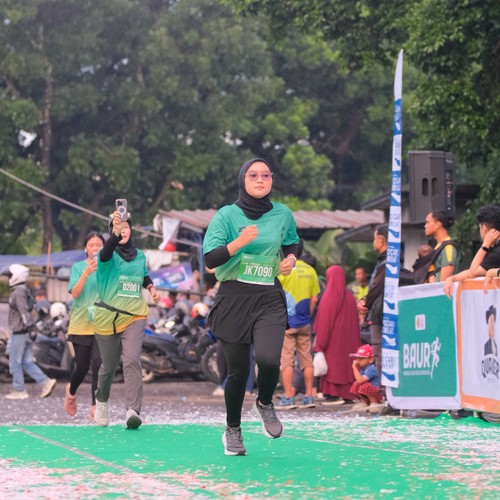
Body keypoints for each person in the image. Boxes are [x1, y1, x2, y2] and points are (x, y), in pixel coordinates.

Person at [203, 158, 299, 456]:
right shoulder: (226, 215)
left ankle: (265, 402)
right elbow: (210, 259)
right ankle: (232, 430)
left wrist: (291, 259)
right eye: (253, 175)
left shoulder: (282, 214)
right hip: (233, 297)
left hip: (268, 295)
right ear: (242, 179)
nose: (260, 180)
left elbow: (293, 243)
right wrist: (239, 242)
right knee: (238, 371)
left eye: (266, 175)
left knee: (269, 360)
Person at [93, 210, 161, 429]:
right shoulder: (106, 255)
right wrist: (114, 234)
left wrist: (151, 288)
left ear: (132, 230)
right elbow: (106, 251)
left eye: (126, 227)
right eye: (119, 228)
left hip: (134, 315)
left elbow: (142, 275)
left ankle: (133, 410)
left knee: (131, 359)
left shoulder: (140, 255)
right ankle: (101, 399)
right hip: (107, 318)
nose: (123, 231)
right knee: (109, 366)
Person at [64, 232, 105, 419]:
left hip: (101, 323)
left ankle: (95, 405)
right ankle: (71, 392)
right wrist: (86, 273)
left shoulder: (108, 268)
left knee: (98, 363)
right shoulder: (77, 267)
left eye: (99, 244)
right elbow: (75, 293)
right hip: (81, 323)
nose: (95, 248)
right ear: (85, 249)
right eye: (91, 245)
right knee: (82, 367)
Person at [276, 239, 320, 410]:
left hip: (287, 322)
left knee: (287, 360)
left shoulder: (283, 269)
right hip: (304, 322)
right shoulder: (310, 270)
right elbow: (314, 299)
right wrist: (306, 315)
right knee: (306, 359)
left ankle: (288, 396)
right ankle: (309, 396)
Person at [3, 264, 56, 400]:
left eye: (10, 276)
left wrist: (30, 327)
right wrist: (31, 329)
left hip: (20, 333)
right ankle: (46, 382)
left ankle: (19, 390)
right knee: (27, 362)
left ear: (16, 276)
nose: (8, 278)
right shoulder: (24, 290)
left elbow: (24, 312)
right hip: (26, 333)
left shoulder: (17, 293)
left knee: (15, 362)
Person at [313, 265, 361, 405]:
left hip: (332, 341)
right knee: (346, 366)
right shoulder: (350, 297)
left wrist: (320, 344)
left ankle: (332, 394)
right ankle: (348, 394)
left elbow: (324, 324)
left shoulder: (328, 297)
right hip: (349, 341)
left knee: (333, 365)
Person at [444, 204, 500, 297]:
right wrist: (452, 279)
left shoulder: (496, 251)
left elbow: (474, 272)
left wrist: (485, 245)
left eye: (479, 228)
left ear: (484, 228)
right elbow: (474, 271)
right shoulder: (494, 248)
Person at [357, 224, 388, 377]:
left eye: (374, 239)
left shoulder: (387, 262)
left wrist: (366, 303)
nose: (373, 242)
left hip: (378, 313)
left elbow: (377, 286)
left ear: (381, 242)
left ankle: (383, 388)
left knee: (379, 352)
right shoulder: (384, 261)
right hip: (378, 311)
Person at [424, 211, 459, 282]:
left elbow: (443, 283)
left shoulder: (448, 248)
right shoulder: (438, 246)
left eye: (427, 222)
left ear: (437, 224)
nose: (425, 226)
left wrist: (430, 272)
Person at [349, 344, 384, 413]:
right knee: (356, 384)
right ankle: (364, 403)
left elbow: (361, 380)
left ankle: (375, 404)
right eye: (357, 358)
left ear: (370, 359)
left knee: (366, 385)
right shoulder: (363, 369)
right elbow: (358, 381)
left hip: (377, 394)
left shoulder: (372, 369)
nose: (358, 361)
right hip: (368, 394)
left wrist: (354, 367)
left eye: (361, 359)